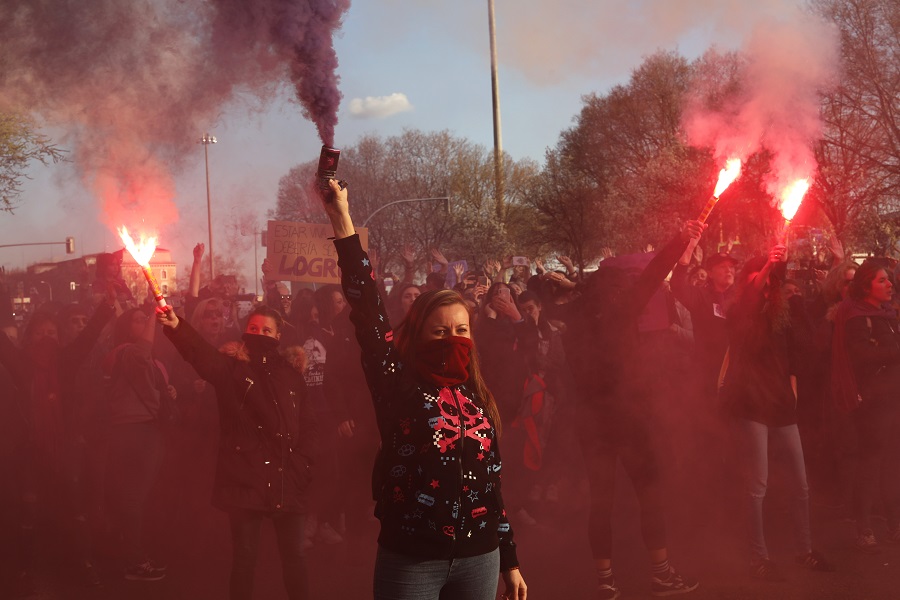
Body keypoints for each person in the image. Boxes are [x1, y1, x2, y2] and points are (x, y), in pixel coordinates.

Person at [320, 179, 527, 600]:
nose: (453, 338)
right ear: (418, 336)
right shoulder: (397, 383)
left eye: (461, 330)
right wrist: (342, 219)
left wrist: (510, 560)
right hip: (413, 561)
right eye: (440, 331)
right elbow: (368, 310)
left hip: (480, 559)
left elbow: (491, 483)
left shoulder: (478, 397)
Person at [560, 221, 704, 599]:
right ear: (613, 290)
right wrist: (680, 239)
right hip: (626, 417)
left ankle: (606, 583)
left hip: (591, 422)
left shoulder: (572, 320)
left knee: (600, 501)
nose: (630, 289)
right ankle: (661, 574)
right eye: (623, 284)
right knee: (649, 494)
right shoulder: (618, 314)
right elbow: (654, 277)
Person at [157, 305, 316, 600]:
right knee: (245, 557)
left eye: (267, 330)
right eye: (253, 329)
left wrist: (303, 464)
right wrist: (178, 326)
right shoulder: (230, 369)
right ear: (244, 333)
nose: (260, 335)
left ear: (279, 335)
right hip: (246, 475)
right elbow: (200, 354)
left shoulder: (292, 376)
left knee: (294, 557)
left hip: (288, 476)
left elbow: (307, 424)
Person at [720, 245, 834, 580]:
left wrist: (793, 384)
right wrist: (769, 264)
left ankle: (804, 550)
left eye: (772, 279)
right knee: (758, 484)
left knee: (801, 484)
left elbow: (801, 351)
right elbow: (753, 296)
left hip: (782, 403)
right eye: (763, 278)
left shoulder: (781, 313)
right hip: (752, 404)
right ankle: (759, 556)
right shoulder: (740, 309)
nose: (768, 284)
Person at [831, 260, 900, 552]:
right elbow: (863, 357)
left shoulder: (887, 316)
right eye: (882, 281)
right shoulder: (859, 318)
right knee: (871, 465)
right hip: (875, 404)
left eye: (889, 280)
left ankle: (895, 525)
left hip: (894, 400)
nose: (890, 285)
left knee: (894, 465)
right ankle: (864, 527)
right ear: (866, 286)